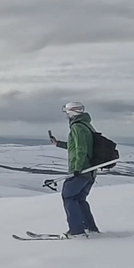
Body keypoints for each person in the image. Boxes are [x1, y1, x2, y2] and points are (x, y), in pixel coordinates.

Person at [49, 102, 100, 238]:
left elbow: (81, 149)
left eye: (67, 113)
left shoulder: (77, 127)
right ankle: (90, 228)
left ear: (72, 113)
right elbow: (77, 146)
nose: (66, 115)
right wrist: (58, 144)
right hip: (90, 171)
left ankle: (77, 231)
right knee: (79, 199)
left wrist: (77, 168)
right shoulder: (86, 125)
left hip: (81, 170)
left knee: (69, 196)